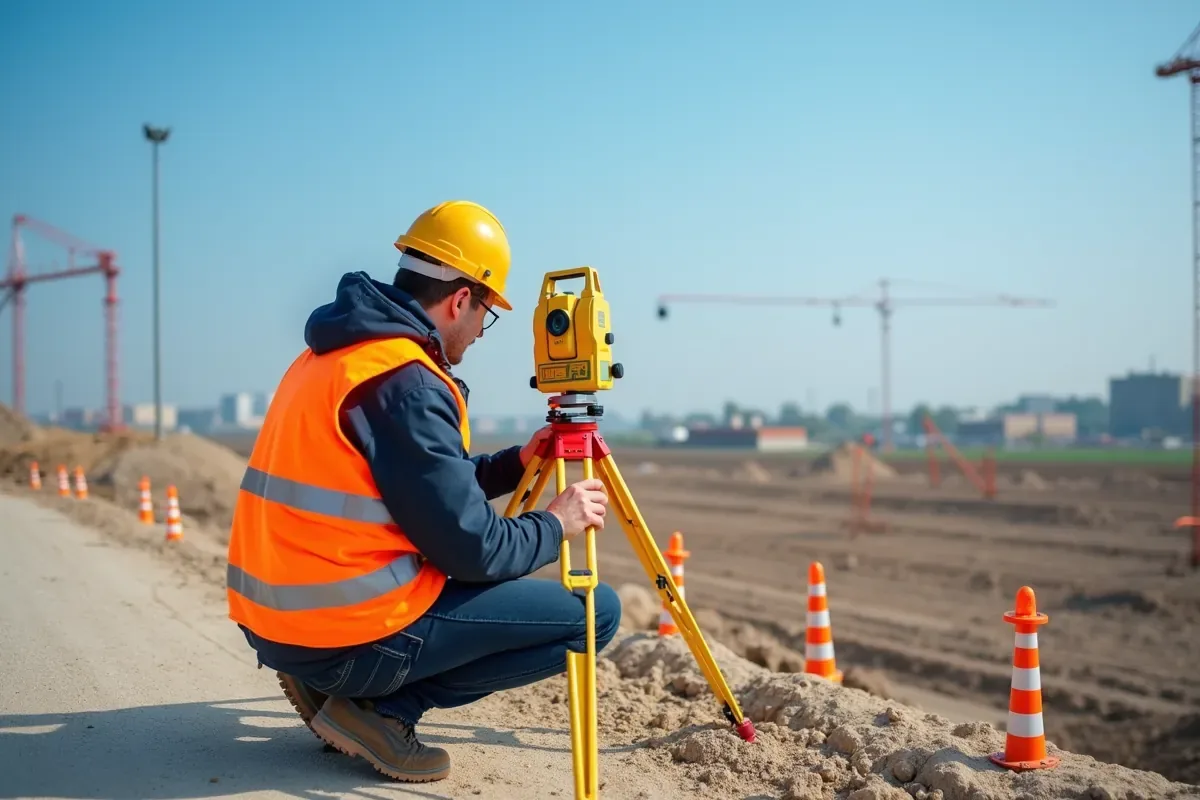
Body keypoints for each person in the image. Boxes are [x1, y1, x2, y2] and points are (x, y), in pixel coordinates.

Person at [225, 200, 623, 783]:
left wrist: (517, 465)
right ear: (461, 298)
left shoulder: (332, 356)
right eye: (486, 314)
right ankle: (381, 711)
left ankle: (330, 689)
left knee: (467, 577)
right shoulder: (408, 383)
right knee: (596, 614)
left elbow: (417, 486)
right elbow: (474, 550)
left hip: (275, 619)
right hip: (340, 630)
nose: (480, 334)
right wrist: (556, 522)